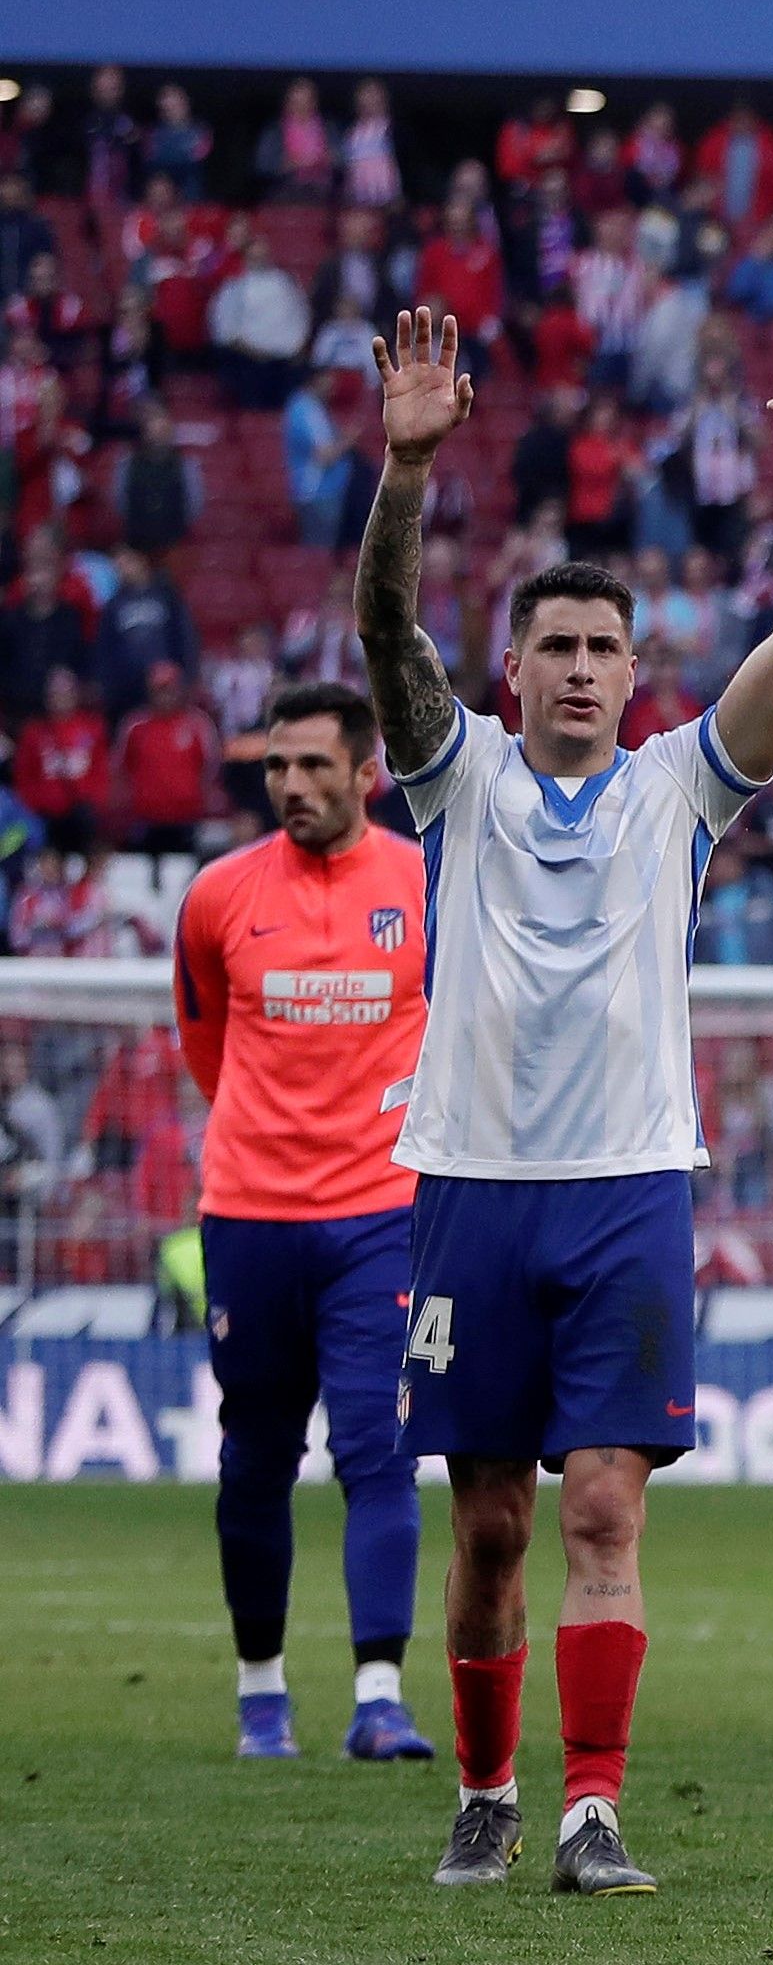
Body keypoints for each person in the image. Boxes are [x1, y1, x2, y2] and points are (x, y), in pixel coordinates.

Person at [354, 308, 773, 1896]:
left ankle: (589, 1810)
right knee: (489, 1523)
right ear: (513, 672)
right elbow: (382, 633)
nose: (578, 671)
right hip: (470, 1185)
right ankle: (487, 1786)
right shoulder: (461, 778)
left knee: (600, 1508)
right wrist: (408, 470)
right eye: (553, 648)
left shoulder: (681, 787)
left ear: (636, 675)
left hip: (630, 1183)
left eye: (603, 650)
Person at [173, 681, 433, 1765]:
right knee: (255, 1459)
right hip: (250, 1214)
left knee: (380, 1448)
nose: (291, 784)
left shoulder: (426, 882)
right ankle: (260, 1690)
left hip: (382, 1213)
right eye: (277, 766)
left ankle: (379, 1697)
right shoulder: (217, 896)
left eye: (314, 765)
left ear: (366, 772)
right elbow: (204, 1043)